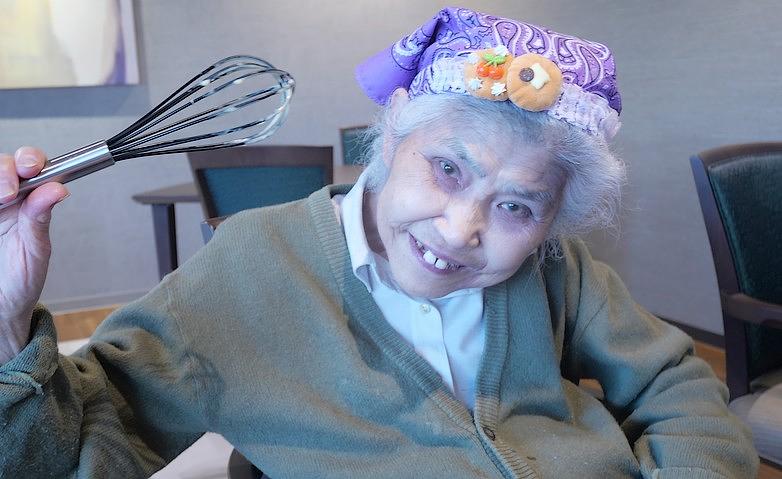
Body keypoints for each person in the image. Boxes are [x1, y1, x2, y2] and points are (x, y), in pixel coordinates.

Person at [0, 7, 758, 478]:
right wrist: (6, 331)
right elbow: (68, 455)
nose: (461, 230)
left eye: (517, 206)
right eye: (447, 168)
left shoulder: (560, 270)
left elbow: (677, 385)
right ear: (392, 136)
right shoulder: (251, 267)